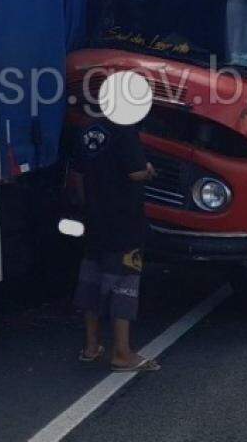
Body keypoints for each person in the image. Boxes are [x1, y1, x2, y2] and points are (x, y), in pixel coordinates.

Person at [68, 110, 159, 372]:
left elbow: (78, 175)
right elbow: (135, 173)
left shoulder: (87, 131)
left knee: (92, 279)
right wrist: (149, 170)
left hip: (95, 219)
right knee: (124, 281)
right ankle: (122, 353)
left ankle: (91, 346)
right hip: (125, 220)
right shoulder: (125, 129)